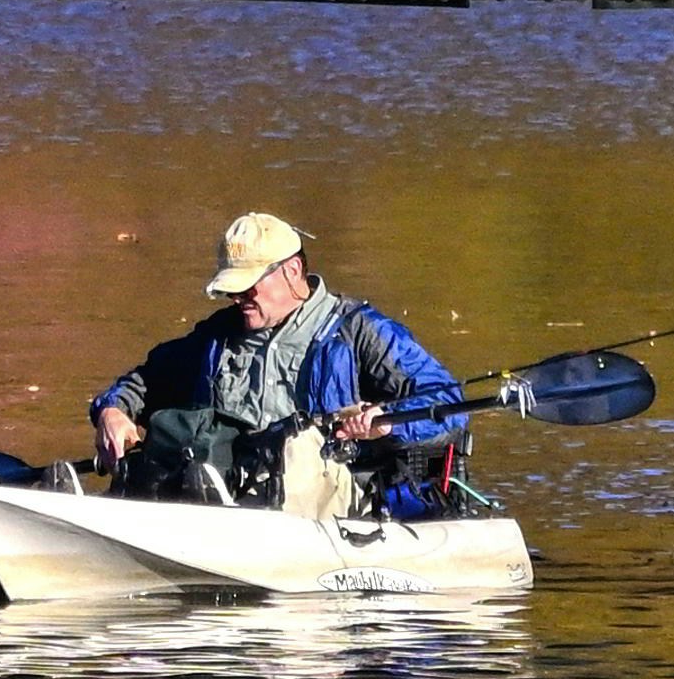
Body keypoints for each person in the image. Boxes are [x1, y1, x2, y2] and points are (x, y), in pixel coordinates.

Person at [87, 208, 487, 524]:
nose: (238, 297)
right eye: (232, 288)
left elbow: (448, 403)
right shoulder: (214, 337)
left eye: (248, 285)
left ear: (292, 271)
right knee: (178, 433)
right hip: (227, 488)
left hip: (333, 496)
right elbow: (144, 381)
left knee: (302, 446)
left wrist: (386, 422)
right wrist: (112, 410)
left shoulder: (359, 332)